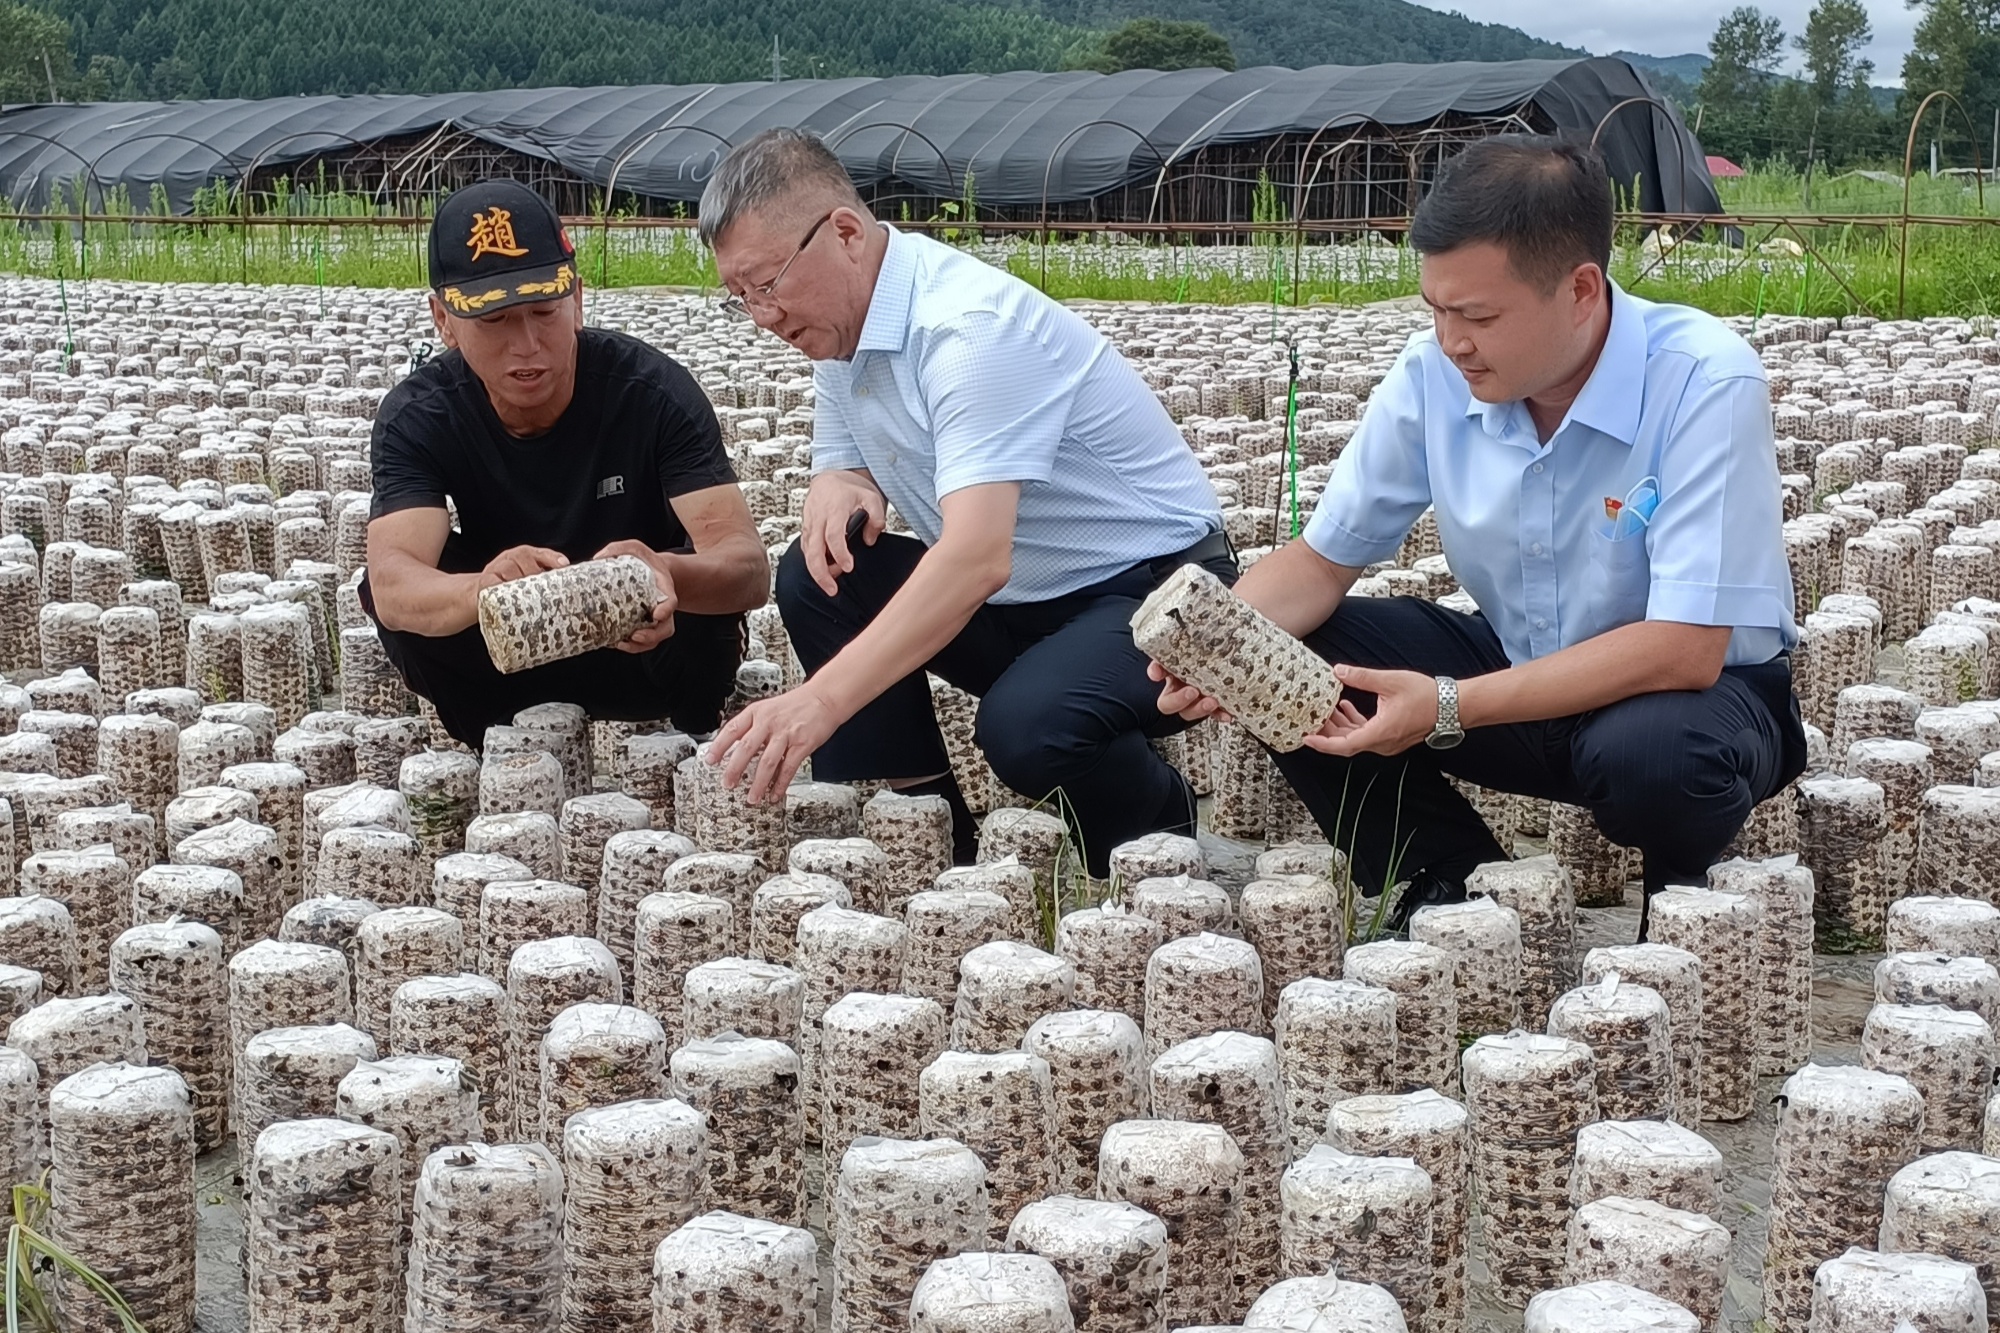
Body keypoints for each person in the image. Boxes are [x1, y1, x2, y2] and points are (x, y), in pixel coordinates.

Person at [1152, 135, 1807, 932]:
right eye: (1436, 309)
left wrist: (1449, 705)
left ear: (1580, 289)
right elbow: (1319, 564)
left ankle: (1677, 912)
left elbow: (1685, 647)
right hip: (1522, 673)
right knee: (1295, 651)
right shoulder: (1435, 372)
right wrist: (1218, 648)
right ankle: (1447, 882)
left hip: (1691, 698)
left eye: (1478, 315)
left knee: (1655, 757)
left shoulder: (1705, 378)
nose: (1452, 340)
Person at [696, 127, 1232, 871]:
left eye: (769, 284)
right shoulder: (841, 327)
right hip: (1024, 600)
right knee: (819, 573)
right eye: (740, 297)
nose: (763, 315)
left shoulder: (968, 332)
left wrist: (819, 700)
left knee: (1027, 727)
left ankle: (1151, 831)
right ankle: (931, 828)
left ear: (845, 232)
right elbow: (842, 459)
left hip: (1152, 594)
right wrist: (838, 478)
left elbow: (976, 555)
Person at [363, 179, 768, 748]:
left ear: (576, 298)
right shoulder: (420, 416)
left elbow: (748, 567)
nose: (526, 344)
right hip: (513, 653)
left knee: (700, 585)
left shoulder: (652, 393)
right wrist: (486, 589)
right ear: (443, 320)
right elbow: (392, 582)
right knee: (404, 594)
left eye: (544, 311)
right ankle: (498, 743)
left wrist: (666, 573)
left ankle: (688, 730)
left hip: (645, 647)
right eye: (494, 320)